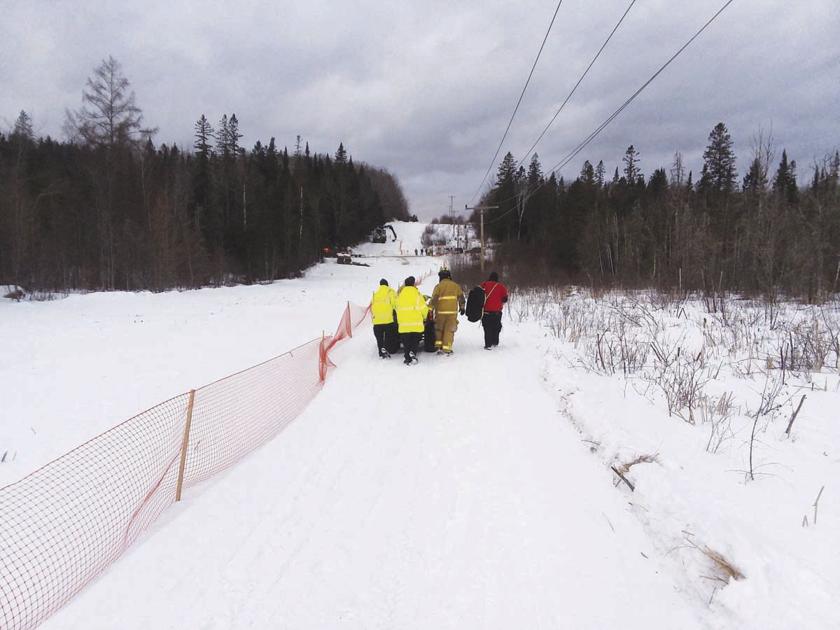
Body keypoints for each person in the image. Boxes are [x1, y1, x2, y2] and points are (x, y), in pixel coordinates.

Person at [395, 276, 429, 365]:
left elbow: (396, 308)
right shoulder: (417, 295)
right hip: (416, 324)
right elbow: (424, 309)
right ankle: (413, 353)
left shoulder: (399, 296)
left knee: (406, 342)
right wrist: (424, 317)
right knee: (415, 341)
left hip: (404, 325)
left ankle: (407, 357)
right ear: (413, 284)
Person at [430, 268, 465, 354]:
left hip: (440, 313)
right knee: (449, 330)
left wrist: (430, 309)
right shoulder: (456, 286)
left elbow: (434, 299)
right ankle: (447, 348)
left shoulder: (438, 286)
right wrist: (462, 307)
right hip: (452, 313)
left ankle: (439, 346)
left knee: (439, 329)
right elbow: (461, 298)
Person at [480, 271, 509, 350]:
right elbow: (505, 299)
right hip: (497, 312)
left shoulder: (484, 285)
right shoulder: (501, 287)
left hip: (486, 312)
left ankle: (488, 344)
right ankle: (495, 342)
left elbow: (478, 294)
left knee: (487, 328)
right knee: (496, 327)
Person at [370, 279, 397, 358]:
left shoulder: (375, 294)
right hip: (388, 320)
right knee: (389, 337)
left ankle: (381, 352)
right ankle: (389, 349)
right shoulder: (390, 292)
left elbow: (372, 307)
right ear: (387, 284)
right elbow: (395, 304)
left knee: (379, 338)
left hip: (377, 321)